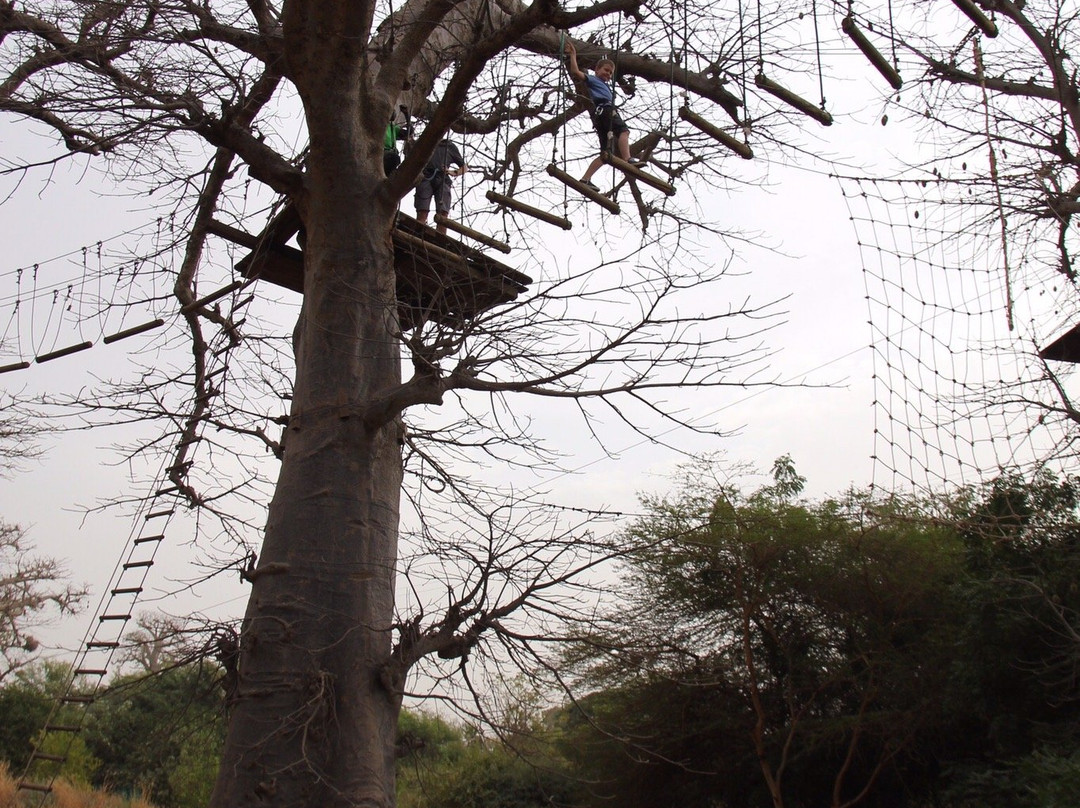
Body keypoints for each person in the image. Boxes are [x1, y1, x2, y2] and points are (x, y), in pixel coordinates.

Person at [564, 41, 644, 191]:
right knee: (624, 131)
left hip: (599, 115)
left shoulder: (605, 85)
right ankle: (628, 159)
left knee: (606, 153)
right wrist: (573, 55)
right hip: (606, 110)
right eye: (606, 70)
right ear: (597, 70)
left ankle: (585, 179)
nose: (608, 74)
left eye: (610, 73)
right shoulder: (594, 80)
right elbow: (575, 72)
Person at [414, 137, 468, 234]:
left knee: (442, 213)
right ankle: (419, 233)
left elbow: (464, 167)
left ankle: (440, 237)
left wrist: (452, 172)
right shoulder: (425, 141)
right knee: (422, 209)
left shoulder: (449, 146)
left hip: (443, 179)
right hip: (425, 177)